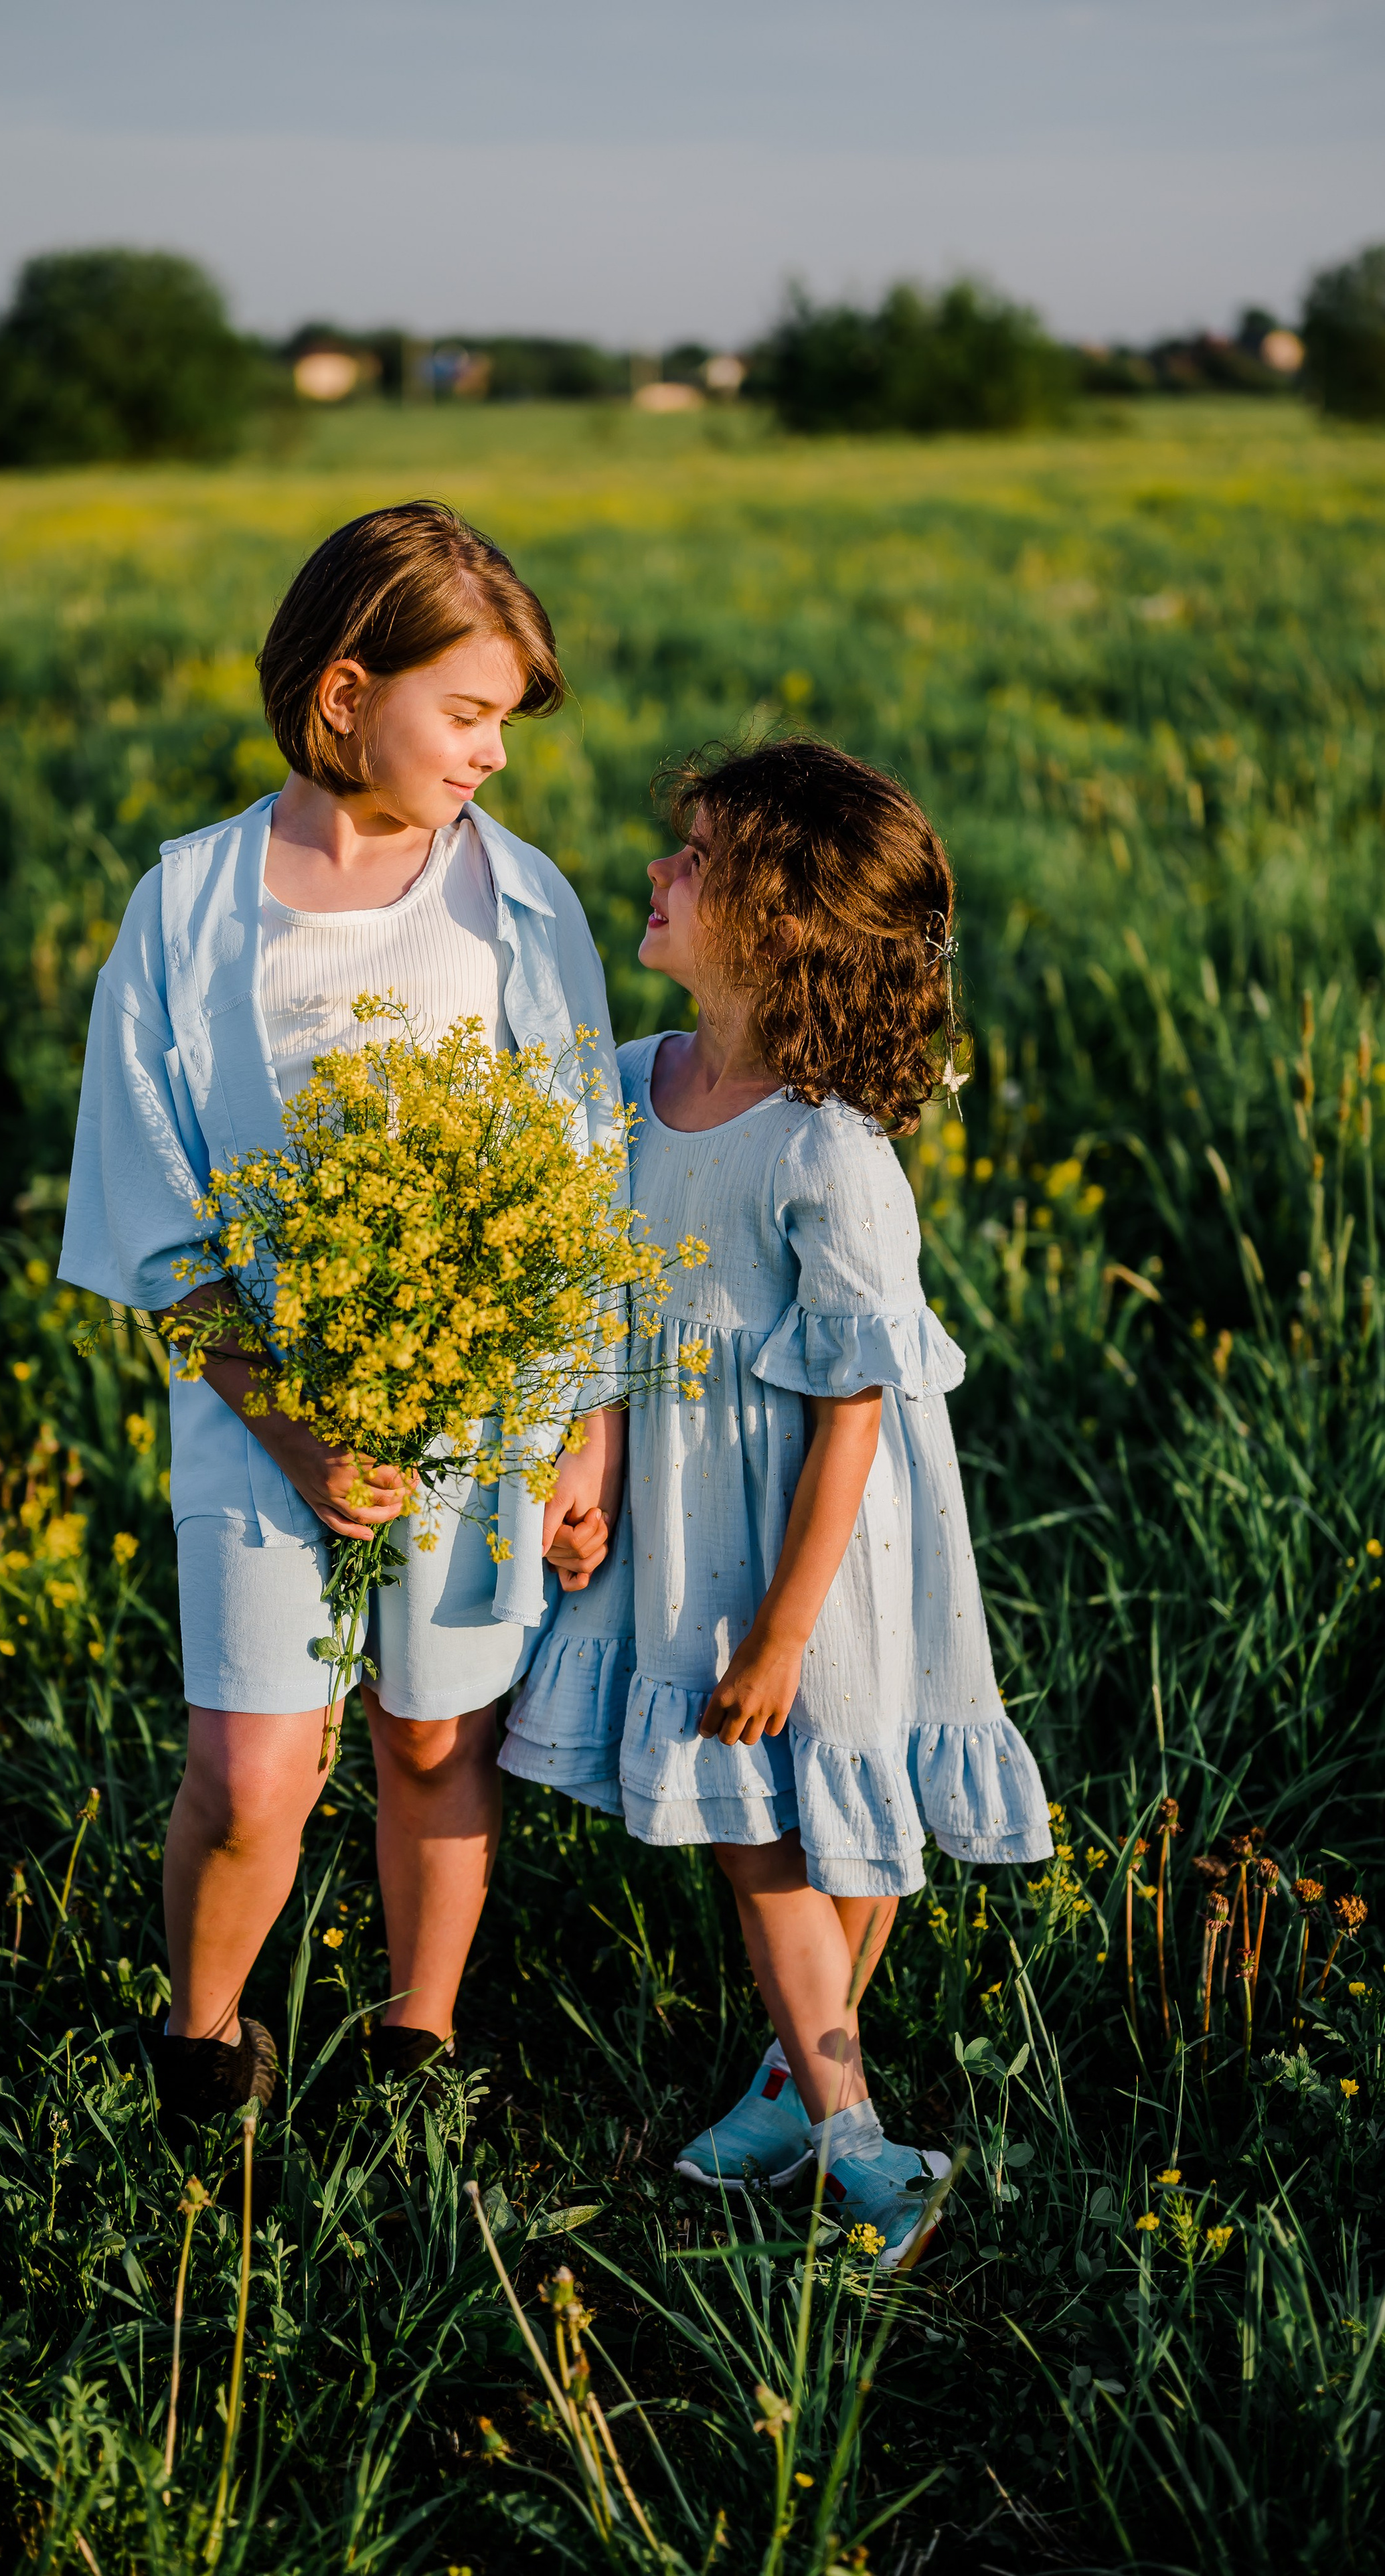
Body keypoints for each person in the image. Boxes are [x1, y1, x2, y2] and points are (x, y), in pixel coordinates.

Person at [59, 502, 622, 2124]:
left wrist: (587, 1429)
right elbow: (150, 1205)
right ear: (339, 690)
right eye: (464, 713)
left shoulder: (516, 903)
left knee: (433, 1739)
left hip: (479, 1401)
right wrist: (295, 1428)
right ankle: (202, 2050)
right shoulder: (186, 905)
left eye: (503, 723)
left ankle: (413, 2048)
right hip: (261, 1403)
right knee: (254, 1775)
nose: (490, 755)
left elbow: (584, 1178)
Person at [501, 736, 1053, 2265]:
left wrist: (789, 1629)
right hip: (686, 1516)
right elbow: (603, 1307)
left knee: (802, 1823)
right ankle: (795, 2092)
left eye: (696, 860)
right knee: (778, 1831)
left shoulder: (825, 1146)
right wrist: (588, 1457)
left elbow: (853, 1415)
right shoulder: (626, 1090)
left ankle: (864, 2145)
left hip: (820, 1533)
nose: (657, 875)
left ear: (784, 923)